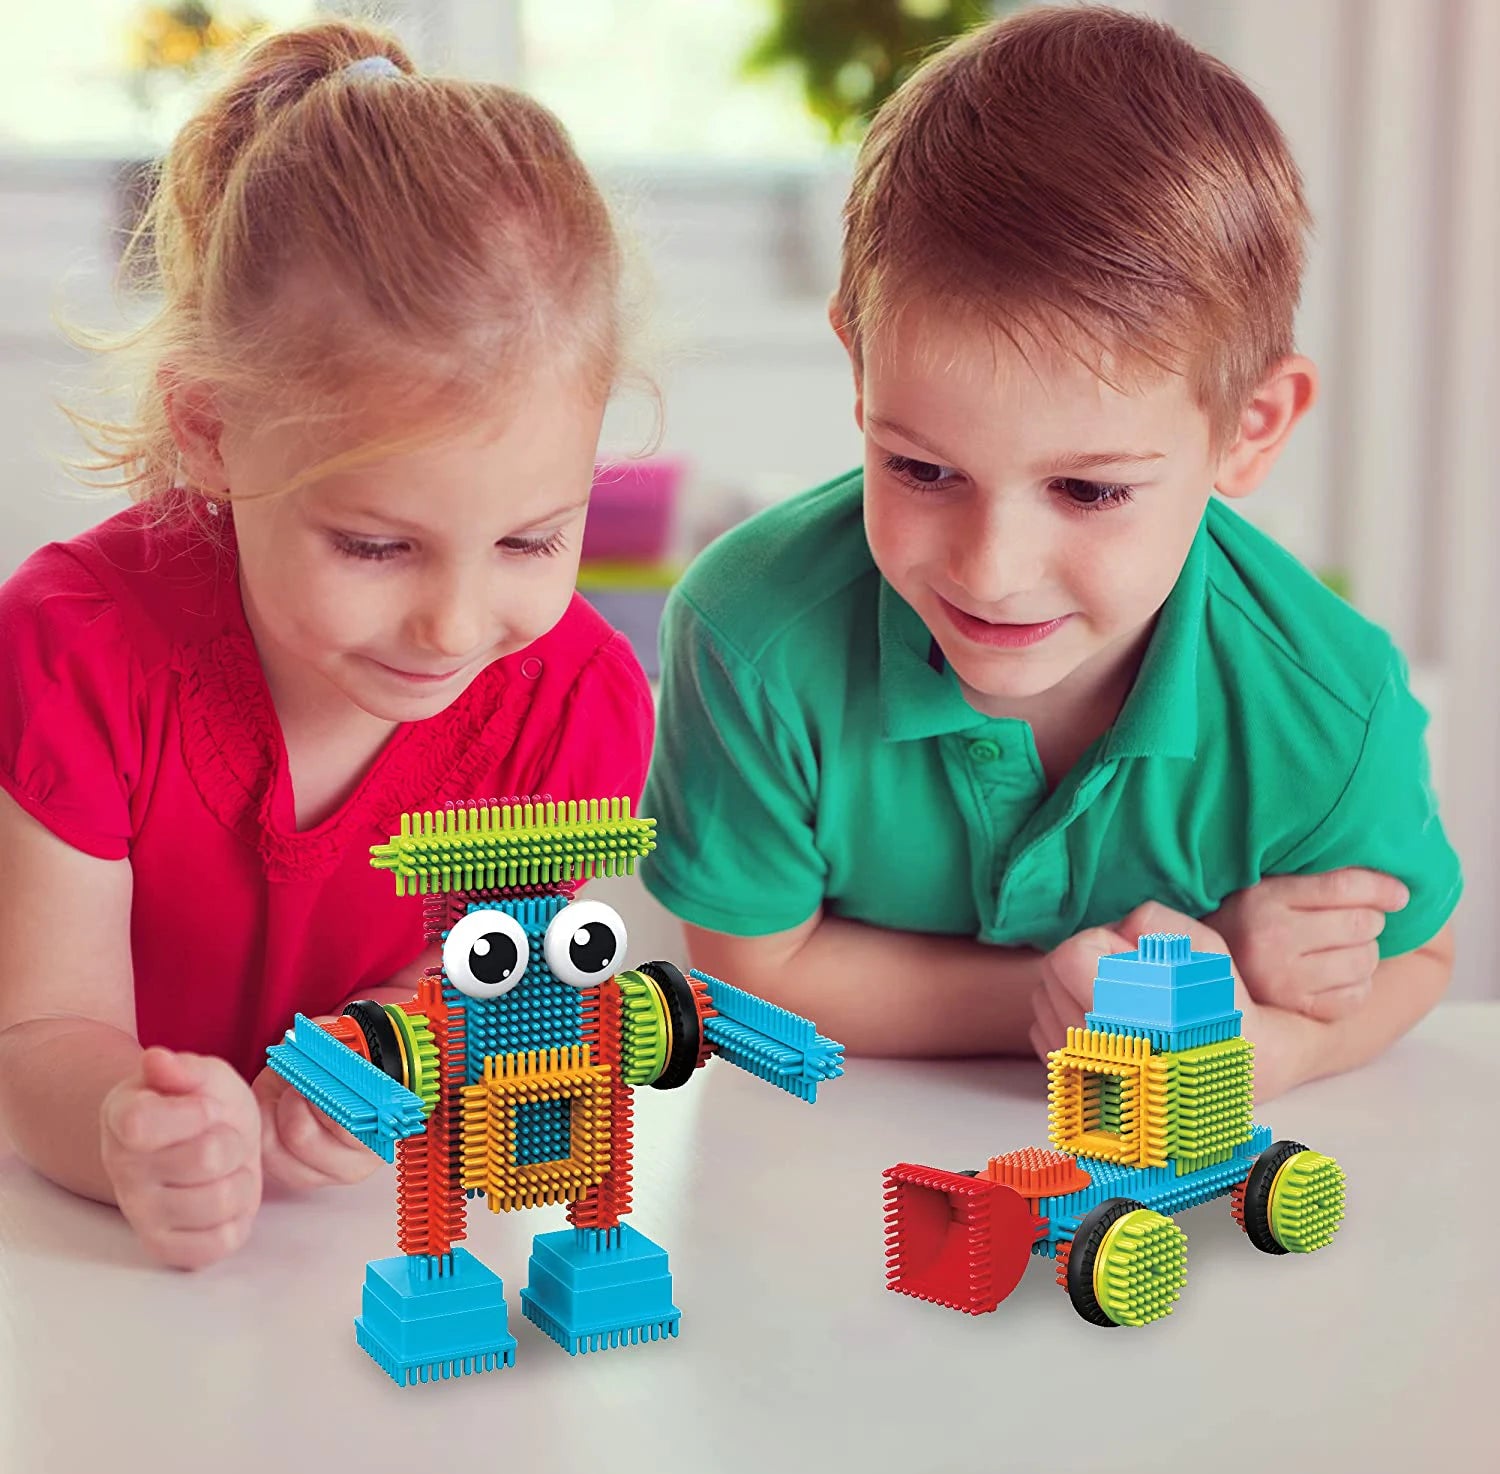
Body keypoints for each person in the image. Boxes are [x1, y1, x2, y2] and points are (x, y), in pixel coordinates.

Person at [640, 5, 1461, 1104]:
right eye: (922, 469)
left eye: (1089, 490)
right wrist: (1134, 987)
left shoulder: (1330, 707)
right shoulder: (748, 634)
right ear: (860, 369)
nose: (991, 569)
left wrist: (1278, 1047)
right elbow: (754, 971)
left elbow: (1417, 955)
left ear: (1250, 428)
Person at [0, 22, 653, 1270]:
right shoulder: (79, 651)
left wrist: (396, 1050)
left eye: (531, 539)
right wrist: (125, 1130)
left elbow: (488, 988)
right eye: (375, 545)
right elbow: (39, 1033)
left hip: (356, 1271)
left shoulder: (572, 705)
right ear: (210, 430)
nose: (455, 626)